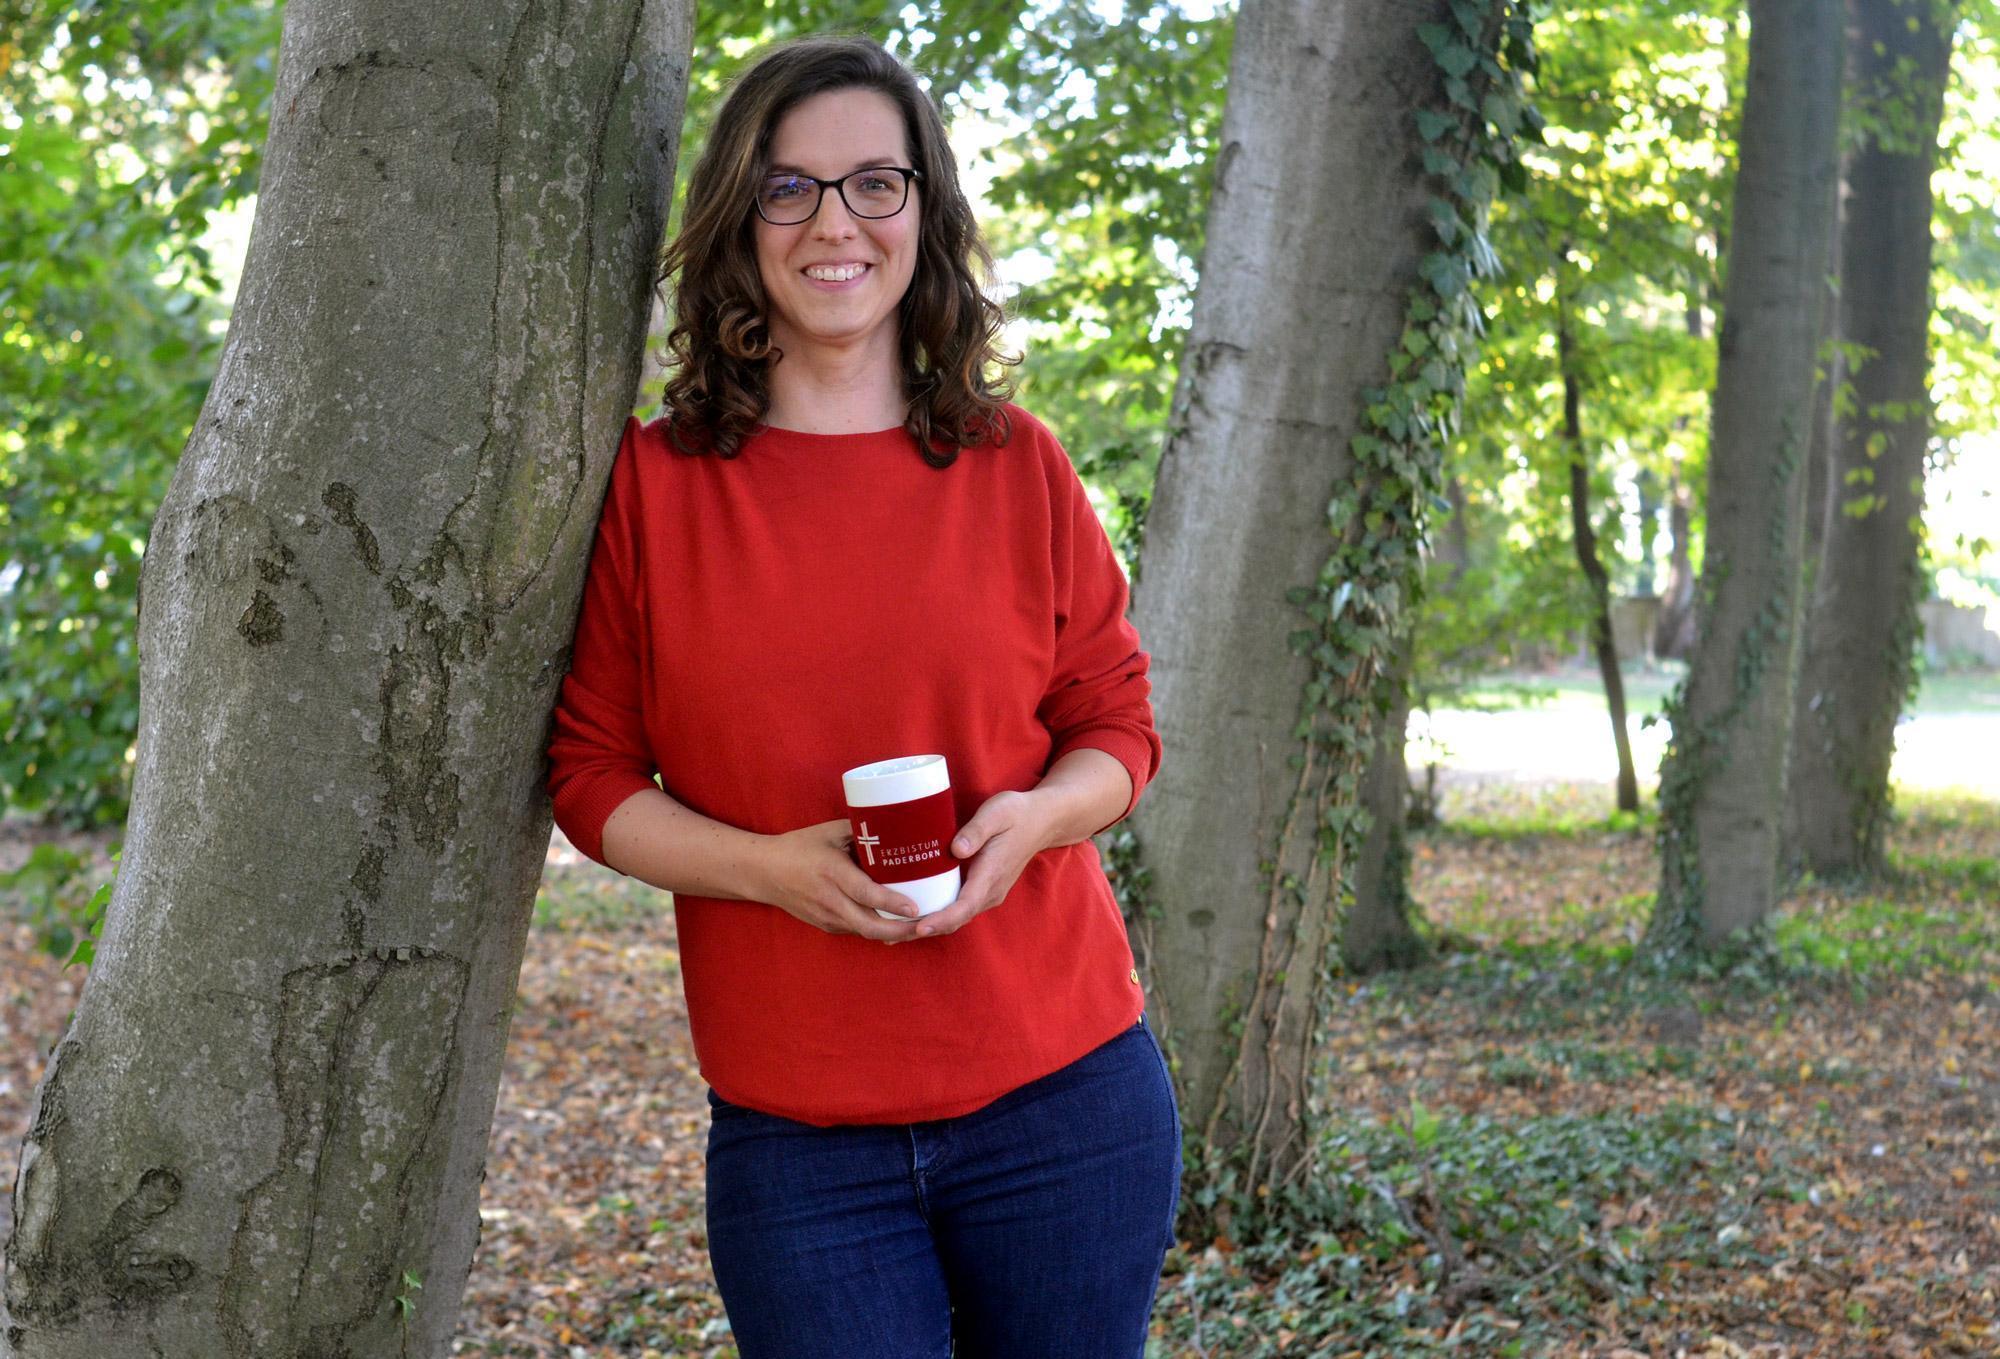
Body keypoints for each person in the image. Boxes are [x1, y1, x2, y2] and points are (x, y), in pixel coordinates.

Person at [545, 31, 1180, 1359]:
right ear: (741, 219)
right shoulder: (656, 489)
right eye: (791, 188)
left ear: (922, 212)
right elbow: (591, 776)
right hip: (800, 1146)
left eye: (874, 184)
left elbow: (1116, 726)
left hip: (1066, 1104)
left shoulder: (1018, 464)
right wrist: (768, 870)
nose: (835, 223)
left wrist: (1040, 820)